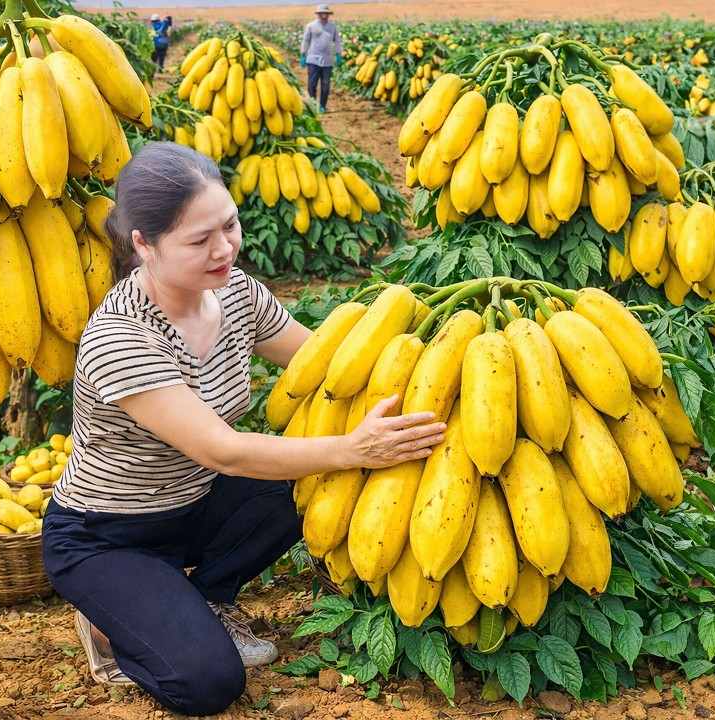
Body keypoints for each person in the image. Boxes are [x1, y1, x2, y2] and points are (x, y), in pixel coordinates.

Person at [40, 142, 447, 716]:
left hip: (195, 506)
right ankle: (111, 622)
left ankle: (204, 595)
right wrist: (354, 448)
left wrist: (443, 359)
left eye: (228, 226)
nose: (224, 248)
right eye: (199, 240)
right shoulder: (121, 339)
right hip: (108, 536)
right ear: (143, 245)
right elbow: (225, 451)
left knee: (305, 485)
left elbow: (325, 365)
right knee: (208, 684)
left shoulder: (235, 293)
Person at [300, 4, 341, 112]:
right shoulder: (311, 26)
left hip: (327, 60)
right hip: (313, 59)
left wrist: (339, 54)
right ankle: (313, 104)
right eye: (322, 13)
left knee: (325, 85)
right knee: (312, 84)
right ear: (318, 14)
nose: (324, 15)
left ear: (328, 14)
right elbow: (306, 40)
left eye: (326, 13)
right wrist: (303, 54)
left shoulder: (332, 27)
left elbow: (337, 41)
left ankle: (322, 105)